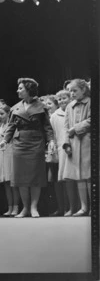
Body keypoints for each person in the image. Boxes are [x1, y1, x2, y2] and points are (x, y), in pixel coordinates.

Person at [0, 78, 55, 218]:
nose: (18, 90)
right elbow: (11, 127)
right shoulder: (15, 108)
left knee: (36, 177)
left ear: (29, 90)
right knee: (21, 178)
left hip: (36, 143)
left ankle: (34, 207)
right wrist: (5, 140)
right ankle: (25, 208)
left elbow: (47, 127)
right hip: (20, 145)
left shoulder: (42, 107)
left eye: (20, 88)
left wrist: (51, 141)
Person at [63, 79, 91, 216]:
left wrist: (76, 128)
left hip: (88, 143)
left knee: (90, 175)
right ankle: (84, 207)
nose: (71, 93)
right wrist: (66, 144)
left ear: (83, 90)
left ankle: (93, 207)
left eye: (74, 90)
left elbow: (92, 120)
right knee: (79, 176)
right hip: (74, 144)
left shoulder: (91, 102)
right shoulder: (69, 106)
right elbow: (66, 126)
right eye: (70, 91)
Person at [0, 105, 20, 217]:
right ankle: (10, 207)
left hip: (10, 154)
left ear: (8, 114)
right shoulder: (1, 126)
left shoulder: (12, 125)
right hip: (1, 155)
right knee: (6, 183)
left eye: (2, 113)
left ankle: (16, 207)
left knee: (13, 182)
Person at [49, 90, 71, 216]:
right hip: (58, 151)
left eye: (64, 98)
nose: (62, 101)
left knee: (70, 179)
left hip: (70, 149)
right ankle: (61, 207)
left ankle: (71, 207)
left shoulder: (72, 112)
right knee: (59, 180)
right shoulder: (54, 116)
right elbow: (51, 133)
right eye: (60, 99)